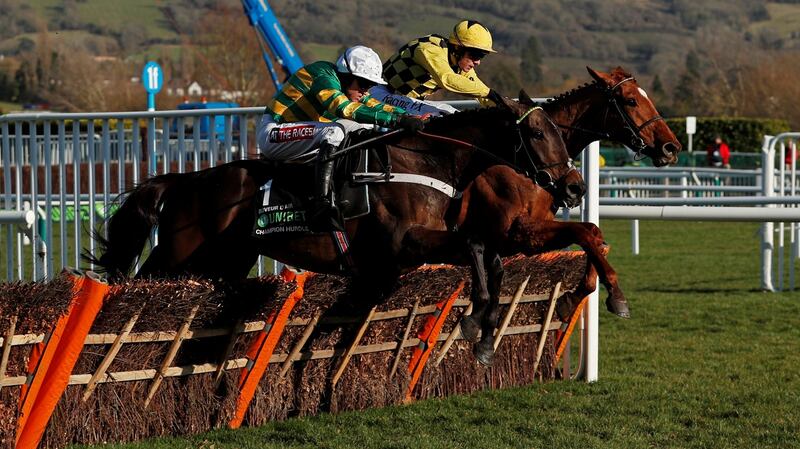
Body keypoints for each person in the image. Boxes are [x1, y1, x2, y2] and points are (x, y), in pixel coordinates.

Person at [256, 45, 424, 231]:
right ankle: (321, 203)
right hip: (273, 132)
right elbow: (343, 109)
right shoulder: (323, 75)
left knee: (361, 128)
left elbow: (376, 106)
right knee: (334, 131)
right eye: (362, 84)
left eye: (369, 86)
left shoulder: (348, 86)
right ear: (346, 76)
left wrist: (409, 117)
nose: (365, 91)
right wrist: (396, 120)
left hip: (300, 133)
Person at [373, 20, 505, 116]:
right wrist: (489, 92)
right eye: (476, 55)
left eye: (482, 56)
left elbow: (479, 92)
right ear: (458, 48)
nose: (477, 62)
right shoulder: (430, 50)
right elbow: (447, 79)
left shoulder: (458, 62)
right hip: (379, 92)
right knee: (443, 115)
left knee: (451, 113)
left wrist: (505, 107)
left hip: (403, 99)